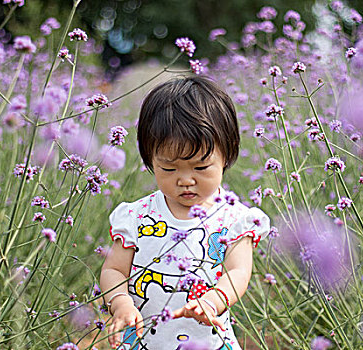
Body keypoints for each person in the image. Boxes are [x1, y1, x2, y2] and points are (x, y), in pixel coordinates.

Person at [100, 76, 270, 349]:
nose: (185, 180)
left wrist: (213, 302)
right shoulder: (135, 216)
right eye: (169, 168)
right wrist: (120, 302)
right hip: (144, 341)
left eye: (201, 167)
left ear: (226, 155)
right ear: (149, 160)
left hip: (209, 341)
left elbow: (239, 271)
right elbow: (114, 269)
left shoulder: (235, 219)